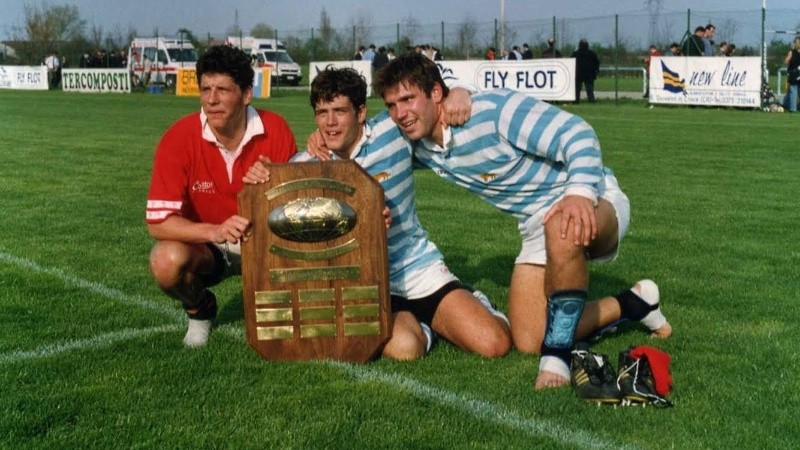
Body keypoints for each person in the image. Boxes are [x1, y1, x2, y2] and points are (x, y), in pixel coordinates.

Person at [371, 53, 672, 389]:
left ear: (436, 93)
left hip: (595, 197)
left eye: (408, 99)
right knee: (528, 339)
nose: (401, 113)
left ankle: (556, 359)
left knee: (561, 227)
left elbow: (577, 132)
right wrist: (323, 143)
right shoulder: (420, 143)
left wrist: (578, 194)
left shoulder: (493, 112)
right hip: (536, 224)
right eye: (392, 104)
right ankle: (634, 303)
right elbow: (368, 146)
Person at [246, 67, 511, 360]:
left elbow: (428, 100)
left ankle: (469, 299)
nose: (330, 123)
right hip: (357, 278)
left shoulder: (394, 132)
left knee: (493, 344)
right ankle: (424, 324)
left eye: (339, 111)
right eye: (322, 113)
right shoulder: (306, 164)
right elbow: (284, 231)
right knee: (406, 349)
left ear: (360, 113)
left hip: (414, 267)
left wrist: (460, 91)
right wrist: (262, 179)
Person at [145, 45, 297, 348]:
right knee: (165, 260)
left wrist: (273, 182)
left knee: (283, 336)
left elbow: (294, 204)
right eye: (206, 89)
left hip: (265, 240)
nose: (211, 100)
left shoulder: (275, 129)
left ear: (246, 94)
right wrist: (215, 230)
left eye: (223, 90)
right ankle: (200, 310)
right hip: (209, 245)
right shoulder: (178, 137)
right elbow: (158, 223)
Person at [572, 39, 600, 103]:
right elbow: (597, 63)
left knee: (577, 89)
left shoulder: (575, 54)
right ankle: (591, 100)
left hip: (578, 74)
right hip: (589, 74)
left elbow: (571, 63)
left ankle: (576, 100)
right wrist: (596, 70)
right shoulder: (592, 54)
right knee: (590, 89)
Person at [782, 36, 800, 113]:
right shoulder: (792, 52)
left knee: (794, 91)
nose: (796, 44)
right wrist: (789, 56)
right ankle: (793, 108)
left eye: (797, 42)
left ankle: (792, 107)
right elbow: (786, 62)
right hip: (794, 73)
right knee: (793, 90)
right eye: (796, 42)